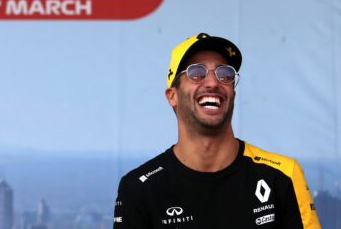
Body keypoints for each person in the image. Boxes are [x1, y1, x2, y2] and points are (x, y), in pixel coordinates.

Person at [113, 33, 321, 229]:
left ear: (233, 93)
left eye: (225, 74)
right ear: (172, 96)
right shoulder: (139, 189)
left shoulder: (283, 175)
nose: (213, 82)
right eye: (196, 73)